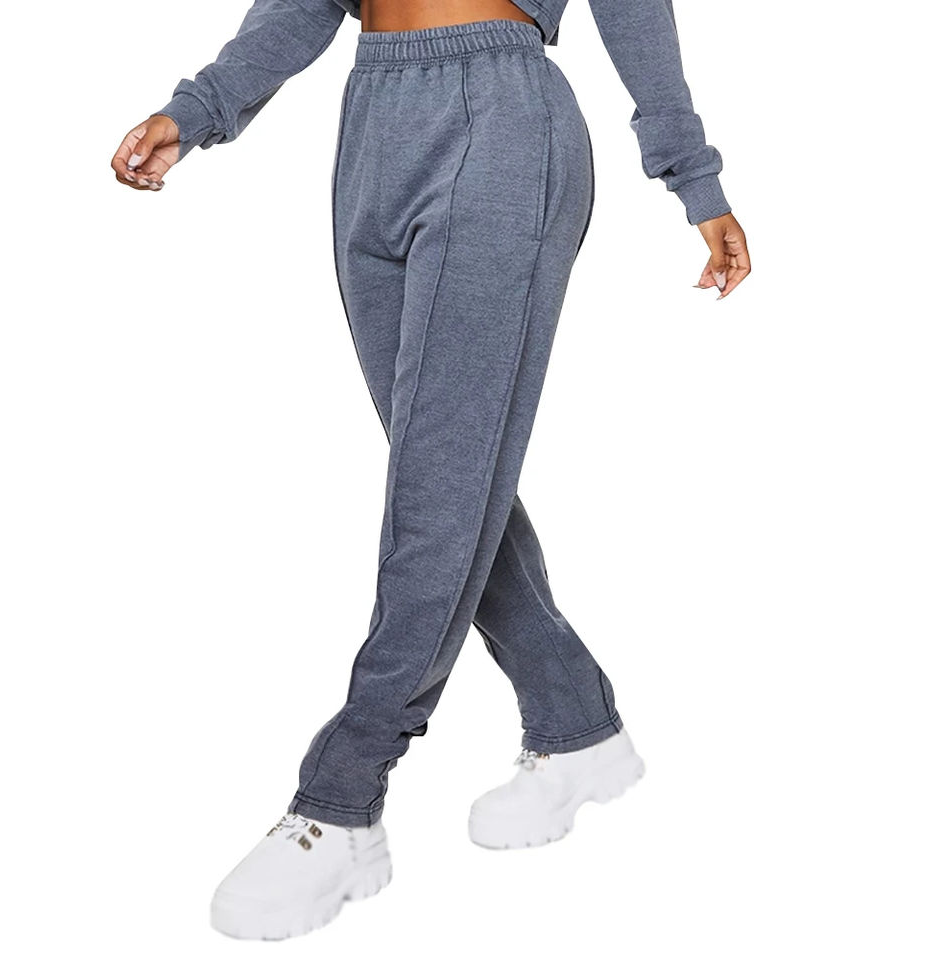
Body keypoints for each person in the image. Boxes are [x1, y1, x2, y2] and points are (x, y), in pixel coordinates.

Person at [110, 0, 751, 941]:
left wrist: (693, 178)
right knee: (447, 469)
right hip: (373, 118)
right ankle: (576, 720)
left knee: (439, 487)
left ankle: (342, 797)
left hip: (502, 118)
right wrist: (199, 109)